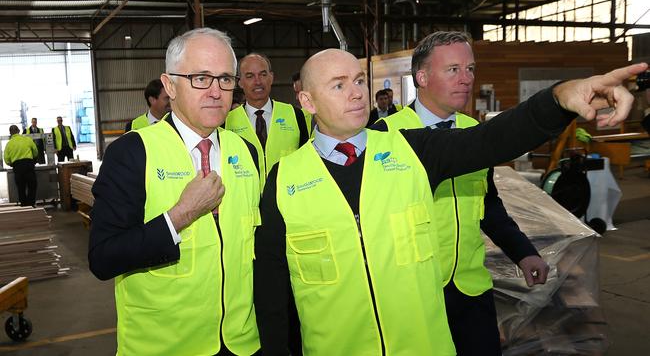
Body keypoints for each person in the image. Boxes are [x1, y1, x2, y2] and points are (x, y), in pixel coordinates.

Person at [253, 48, 645, 356]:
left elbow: (490, 141)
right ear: (307, 101)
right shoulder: (284, 180)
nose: (356, 92)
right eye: (338, 85)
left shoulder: (414, 151)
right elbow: (272, 288)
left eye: (358, 79)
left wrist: (559, 99)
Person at [371, 31, 549, 355]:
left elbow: (487, 202)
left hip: (471, 290)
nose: (466, 79)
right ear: (421, 77)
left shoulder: (475, 134)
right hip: (414, 293)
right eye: (453, 69)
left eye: (470, 69)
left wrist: (523, 251)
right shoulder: (385, 137)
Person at [89, 27, 263, 356]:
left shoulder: (245, 152)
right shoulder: (132, 153)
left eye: (225, 79)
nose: (216, 91)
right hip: (166, 347)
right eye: (201, 78)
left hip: (242, 343)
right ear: (169, 85)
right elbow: (103, 258)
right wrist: (181, 215)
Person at [225, 53, 310, 176]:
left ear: (271, 77)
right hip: (248, 194)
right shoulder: (227, 122)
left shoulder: (295, 115)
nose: (258, 81)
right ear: (240, 82)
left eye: (263, 74)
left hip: (287, 193)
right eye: (250, 76)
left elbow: (306, 160)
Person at [4, 125, 38, 207]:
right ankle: (31, 204)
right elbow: (35, 152)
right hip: (28, 164)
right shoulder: (27, 139)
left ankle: (24, 206)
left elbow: (6, 159)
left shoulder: (9, 144)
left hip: (17, 167)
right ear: (19, 131)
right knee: (32, 185)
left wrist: (12, 163)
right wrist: (33, 160)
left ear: (10, 133)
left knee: (21, 187)